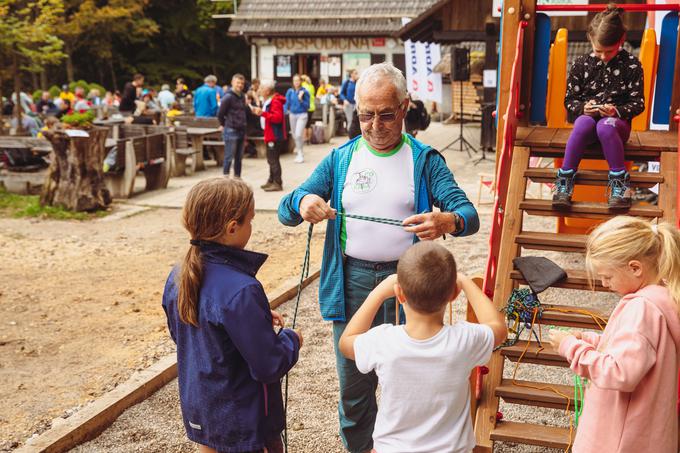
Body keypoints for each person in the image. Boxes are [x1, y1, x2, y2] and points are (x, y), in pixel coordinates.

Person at [278, 62, 479, 453]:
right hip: (351, 283)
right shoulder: (341, 159)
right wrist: (304, 202)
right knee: (354, 389)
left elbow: (468, 215)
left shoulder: (423, 159)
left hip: (412, 286)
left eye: (386, 115)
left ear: (405, 107)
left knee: (414, 387)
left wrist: (447, 220)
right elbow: (286, 210)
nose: (374, 125)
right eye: (365, 115)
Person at [162, 177, 302, 453]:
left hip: (202, 408)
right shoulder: (242, 289)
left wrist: (253, 319)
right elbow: (268, 365)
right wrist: (291, 339)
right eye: (249, 220)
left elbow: (187, 334)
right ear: (232, 228)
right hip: (243, 418)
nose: (251, 227)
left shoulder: (178, 275)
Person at [339, 242, 506, 452]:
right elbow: (498, 328)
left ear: (399, 294)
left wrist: (378, 293)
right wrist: (465, 282)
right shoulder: (463, 341)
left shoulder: (384, 342)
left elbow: (346, 342)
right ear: (453, 294)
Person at [549, 216, 680, 452]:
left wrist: (571, 347)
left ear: (635, 268)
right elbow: (638, 350)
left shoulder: (642, 309)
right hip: (644, 434)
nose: (604, 283)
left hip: (620, 440)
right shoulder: (662, 299)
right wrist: (592, 341)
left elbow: (620, 372)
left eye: (607, 276)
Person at [553, 4, 644, 210]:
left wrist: (616, 111)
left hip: (615, 125)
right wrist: (583, 108)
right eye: (598, 51)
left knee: (605, 125)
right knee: (584, 122)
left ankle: (619, 184)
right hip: (588, 124)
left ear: (621, 41)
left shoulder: (631, 65)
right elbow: (570, 100)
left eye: (609, 51)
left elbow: (638, 103)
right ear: (590, 41)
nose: (603, 56)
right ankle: (565, 183)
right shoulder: (581, 64)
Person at [252, 79, 287, 192]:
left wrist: (262, 113)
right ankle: (271, 180)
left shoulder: (275, 101)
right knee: (271, 159)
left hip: (274, 135)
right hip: (270, 134)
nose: (260, 90)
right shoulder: (269, 100)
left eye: (262, 88)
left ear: (267, 90)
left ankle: (277, 182)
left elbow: (277, 118)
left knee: (273, 159)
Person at [217, 74, 248, 178]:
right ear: (232, 82)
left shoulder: (242, 96)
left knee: (239, 157)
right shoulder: (228, 96)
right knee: (229, 156)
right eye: (238, 83)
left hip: (241, 130)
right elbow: (220, 113)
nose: (240, 85)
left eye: (242, 83)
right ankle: (225, 178)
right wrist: (223, 124)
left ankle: (237, 178)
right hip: (231, 130)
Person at [284, 74, 310, 163]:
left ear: (301, 81)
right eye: (294, 80)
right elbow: (286, 103)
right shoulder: (290, 91)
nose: (296, 82)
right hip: (292, 115)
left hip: (302, 115)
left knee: (299, 134)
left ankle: (300, 153)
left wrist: (300, 99)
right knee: (295, 135)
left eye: (298, 80)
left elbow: (307, 106)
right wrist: (284, 112)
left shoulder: (305, 92)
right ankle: (299, 152)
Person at [339, 68, 359, 134]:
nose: (357, 75)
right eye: (355, 73)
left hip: (357, 104)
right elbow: (341, 93)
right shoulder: (347, 82)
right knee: (350, 120)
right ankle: (350, 136)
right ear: (351, 74)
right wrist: (344, 100)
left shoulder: (358, 82)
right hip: (348, 105)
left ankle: (356, 136)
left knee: (357, 120)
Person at [301, 74, 316, 144]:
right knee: (309, 124)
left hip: (306, 107)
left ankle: (305, 139)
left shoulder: (303, 85)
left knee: (304, 124)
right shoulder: (312, 86)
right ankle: (309, 140)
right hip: (312, 107)